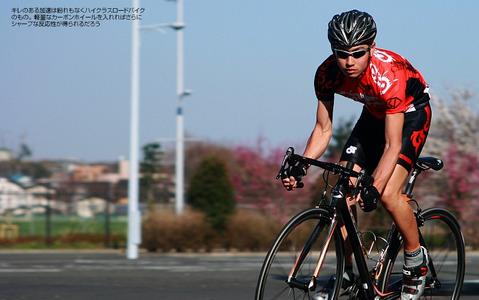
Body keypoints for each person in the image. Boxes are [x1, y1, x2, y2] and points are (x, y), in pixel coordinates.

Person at [282, 9, 432, 300]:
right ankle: (349, 273)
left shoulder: (387, 76)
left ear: (372, 47)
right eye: (341, 53)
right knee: (341, 191)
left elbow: (391, 146)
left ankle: (416, 262)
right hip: (373, 115)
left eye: (358, 53)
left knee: (388, 194)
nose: (349, 62)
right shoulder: (326, 74)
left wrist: (375, 187)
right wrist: (302, 166)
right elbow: (323, 130)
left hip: (411, 115)